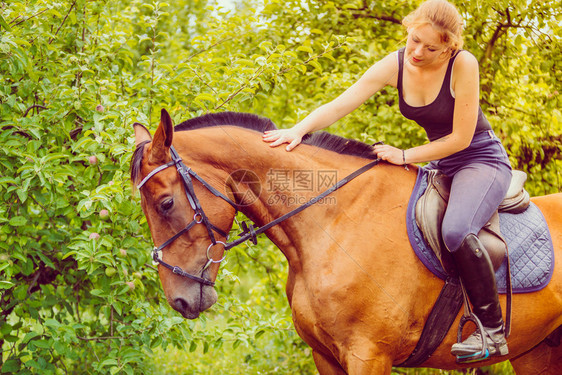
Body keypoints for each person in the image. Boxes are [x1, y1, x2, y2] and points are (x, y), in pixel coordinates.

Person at [262, 0, 512, 363]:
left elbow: (461, 138)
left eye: (431, 47)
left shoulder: (464, 64)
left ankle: (492, 330)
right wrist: (297, 131)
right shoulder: (397, 63)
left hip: (480, 160)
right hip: (440, 164)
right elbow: (341, 102)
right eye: (414, 40)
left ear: (449, 47)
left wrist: (405, 155)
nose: (417, 52)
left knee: (456, 230)